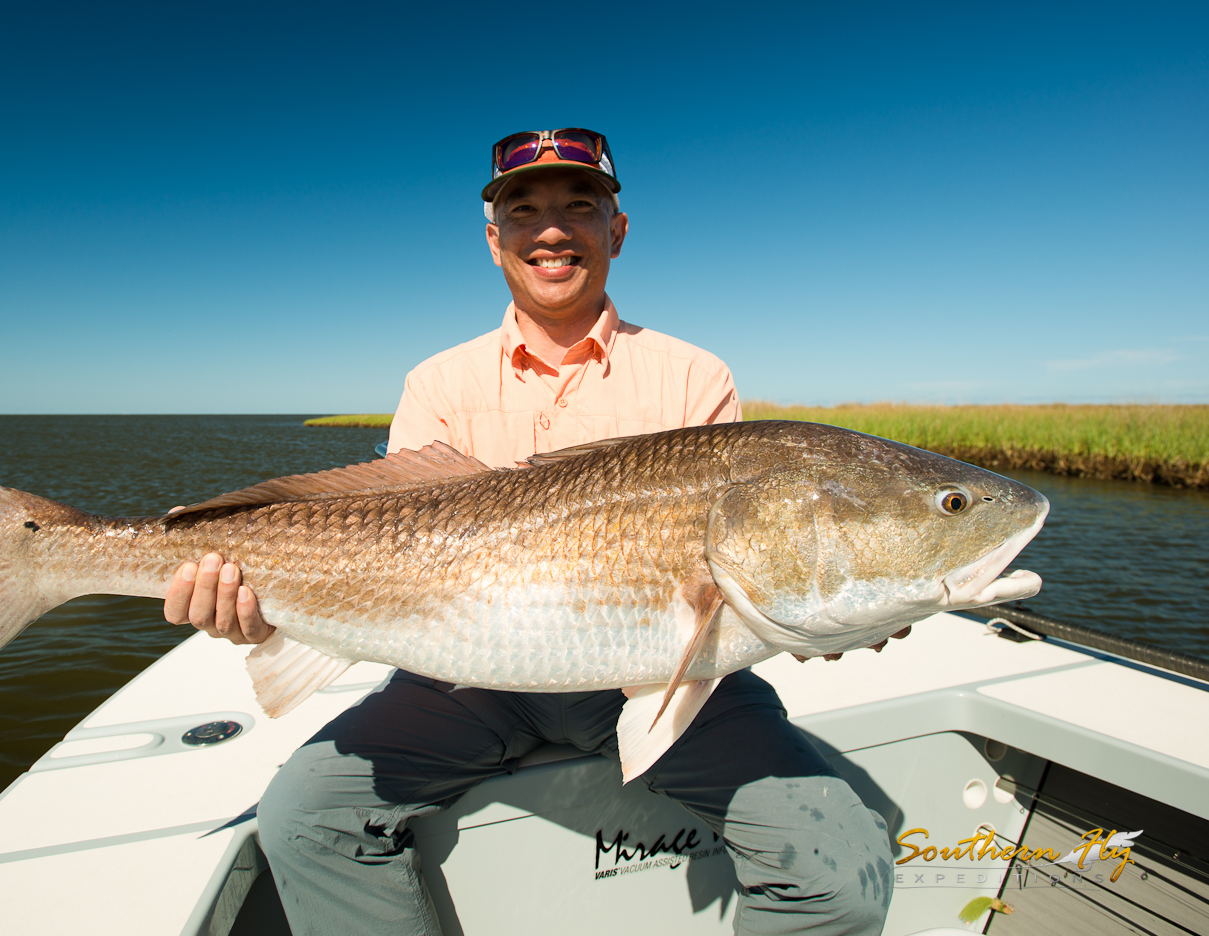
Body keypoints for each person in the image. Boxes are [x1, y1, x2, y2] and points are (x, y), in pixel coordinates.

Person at [163, 128, 895, 935]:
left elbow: (751, 574)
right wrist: (259, 607)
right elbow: (382, 545)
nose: (553, 229)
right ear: (494, 239)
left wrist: (841, 610)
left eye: (581, 206)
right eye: (525, 210)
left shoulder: (694, 375)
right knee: (304, 814)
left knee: (842, 878)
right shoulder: (438, 380)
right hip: (460, 678)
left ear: (616, 230)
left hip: (664, 671)